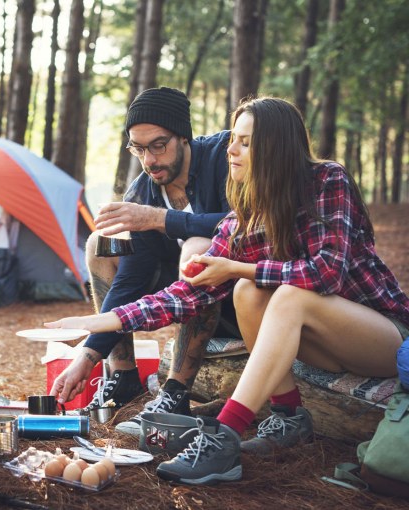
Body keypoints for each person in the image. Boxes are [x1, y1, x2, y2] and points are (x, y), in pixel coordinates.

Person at [47, 97, 409, 485]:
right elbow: (188, 293)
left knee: (284, 294)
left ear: (276, 147)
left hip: (382, 337)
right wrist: (102, 321)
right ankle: (289, 418)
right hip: (320, 344)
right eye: (232, 139)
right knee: (247, 292)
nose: (231, 150)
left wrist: (237, 268)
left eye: (244, 142)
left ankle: (224, 435)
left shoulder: (326, 179)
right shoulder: (249, 210)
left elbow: (326, 274)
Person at [56, 87, 239, 435]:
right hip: (176, 299)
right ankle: (124, 376)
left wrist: (159, 219)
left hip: (241, 297)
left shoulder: (224, 158)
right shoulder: (143, 191)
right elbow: (130, 280)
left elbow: (249, 224)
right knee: (100, 243)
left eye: (159, 145)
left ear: (184, 137)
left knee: (197, 253)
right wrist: (87, 357)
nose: (150, 160)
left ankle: (175, 393)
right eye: (138, 149)